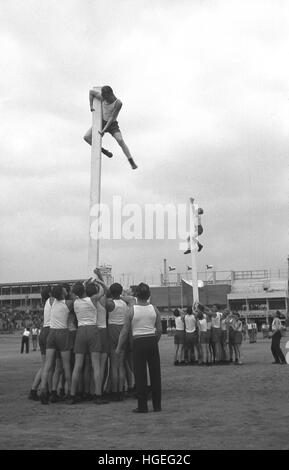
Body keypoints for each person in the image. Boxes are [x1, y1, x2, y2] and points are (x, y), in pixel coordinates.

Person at [116, 283, 162, 413]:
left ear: (136, 295)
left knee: (140, 375)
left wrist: (119, 348)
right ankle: (157, 405)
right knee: (155, 374)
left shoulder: (131, 310)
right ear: (148, 295)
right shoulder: (154, 309)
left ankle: (142, 406)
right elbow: (159, 330)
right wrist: (154, 341)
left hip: (138, 342)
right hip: (151, 341)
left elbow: (125, 332)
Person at [84, 85, 138, 170]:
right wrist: (91, 106)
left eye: (106, 98)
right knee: (86, 137)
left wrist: (104, 130)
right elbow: (91, 92)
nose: (105, 100)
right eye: (103, 98)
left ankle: (131, 161)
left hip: (112, 124)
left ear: (111, 94)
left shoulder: (118, 103)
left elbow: (112, 117)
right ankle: (104, 151)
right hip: (101, 122)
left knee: (120, 140)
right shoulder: (103, 97)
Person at [39, 285, 74, 404]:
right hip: (62, 333)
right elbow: (77, 297)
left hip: (51, 333)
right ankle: (70, 392)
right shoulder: (68, 303)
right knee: (66, 365)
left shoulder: (51, 301)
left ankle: (43, 391)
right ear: (63, 293)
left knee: (48, 365)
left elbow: (55, 294)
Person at [107, 283, 129, 401]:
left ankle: (114, 391)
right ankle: (121, 390)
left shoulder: (110, 304)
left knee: (114, 365)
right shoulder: (125, 304)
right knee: (121, 365)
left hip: (112, 330)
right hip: (122, 330)